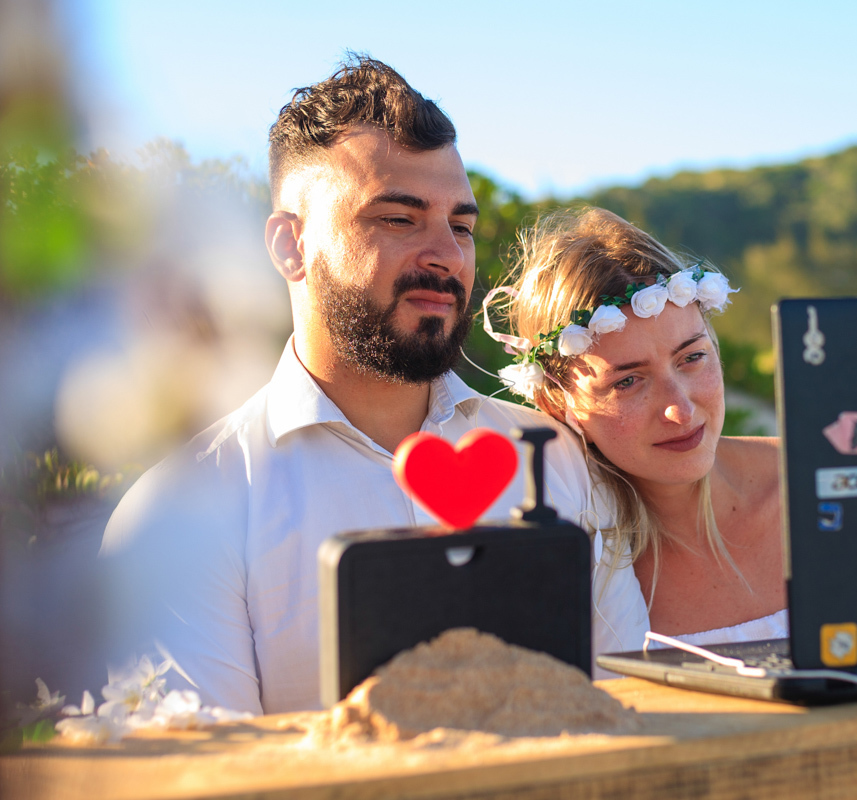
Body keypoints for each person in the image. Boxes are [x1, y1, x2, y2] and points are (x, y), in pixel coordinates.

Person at [99, 57, 647, 716]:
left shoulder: (560, 460)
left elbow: (635, 713)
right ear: (290, 246)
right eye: (398, 218)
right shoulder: (180, 515)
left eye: (462, 226)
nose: (445, 253)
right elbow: (216, 774)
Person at [491, 208, 786, 645]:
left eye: (692, 357)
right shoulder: (583, 568)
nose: (680, 411)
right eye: (627, 381)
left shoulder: (816, 484)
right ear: (556, 402)